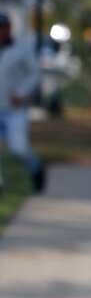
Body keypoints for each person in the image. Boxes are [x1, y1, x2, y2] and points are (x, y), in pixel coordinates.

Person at [0, 13, 46, 193]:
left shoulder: (21, 47)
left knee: (18, 150)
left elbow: (34, 74)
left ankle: (36, 169)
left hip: (14, 109)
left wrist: (21, 92)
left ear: (9, 29)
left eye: (3, 28)